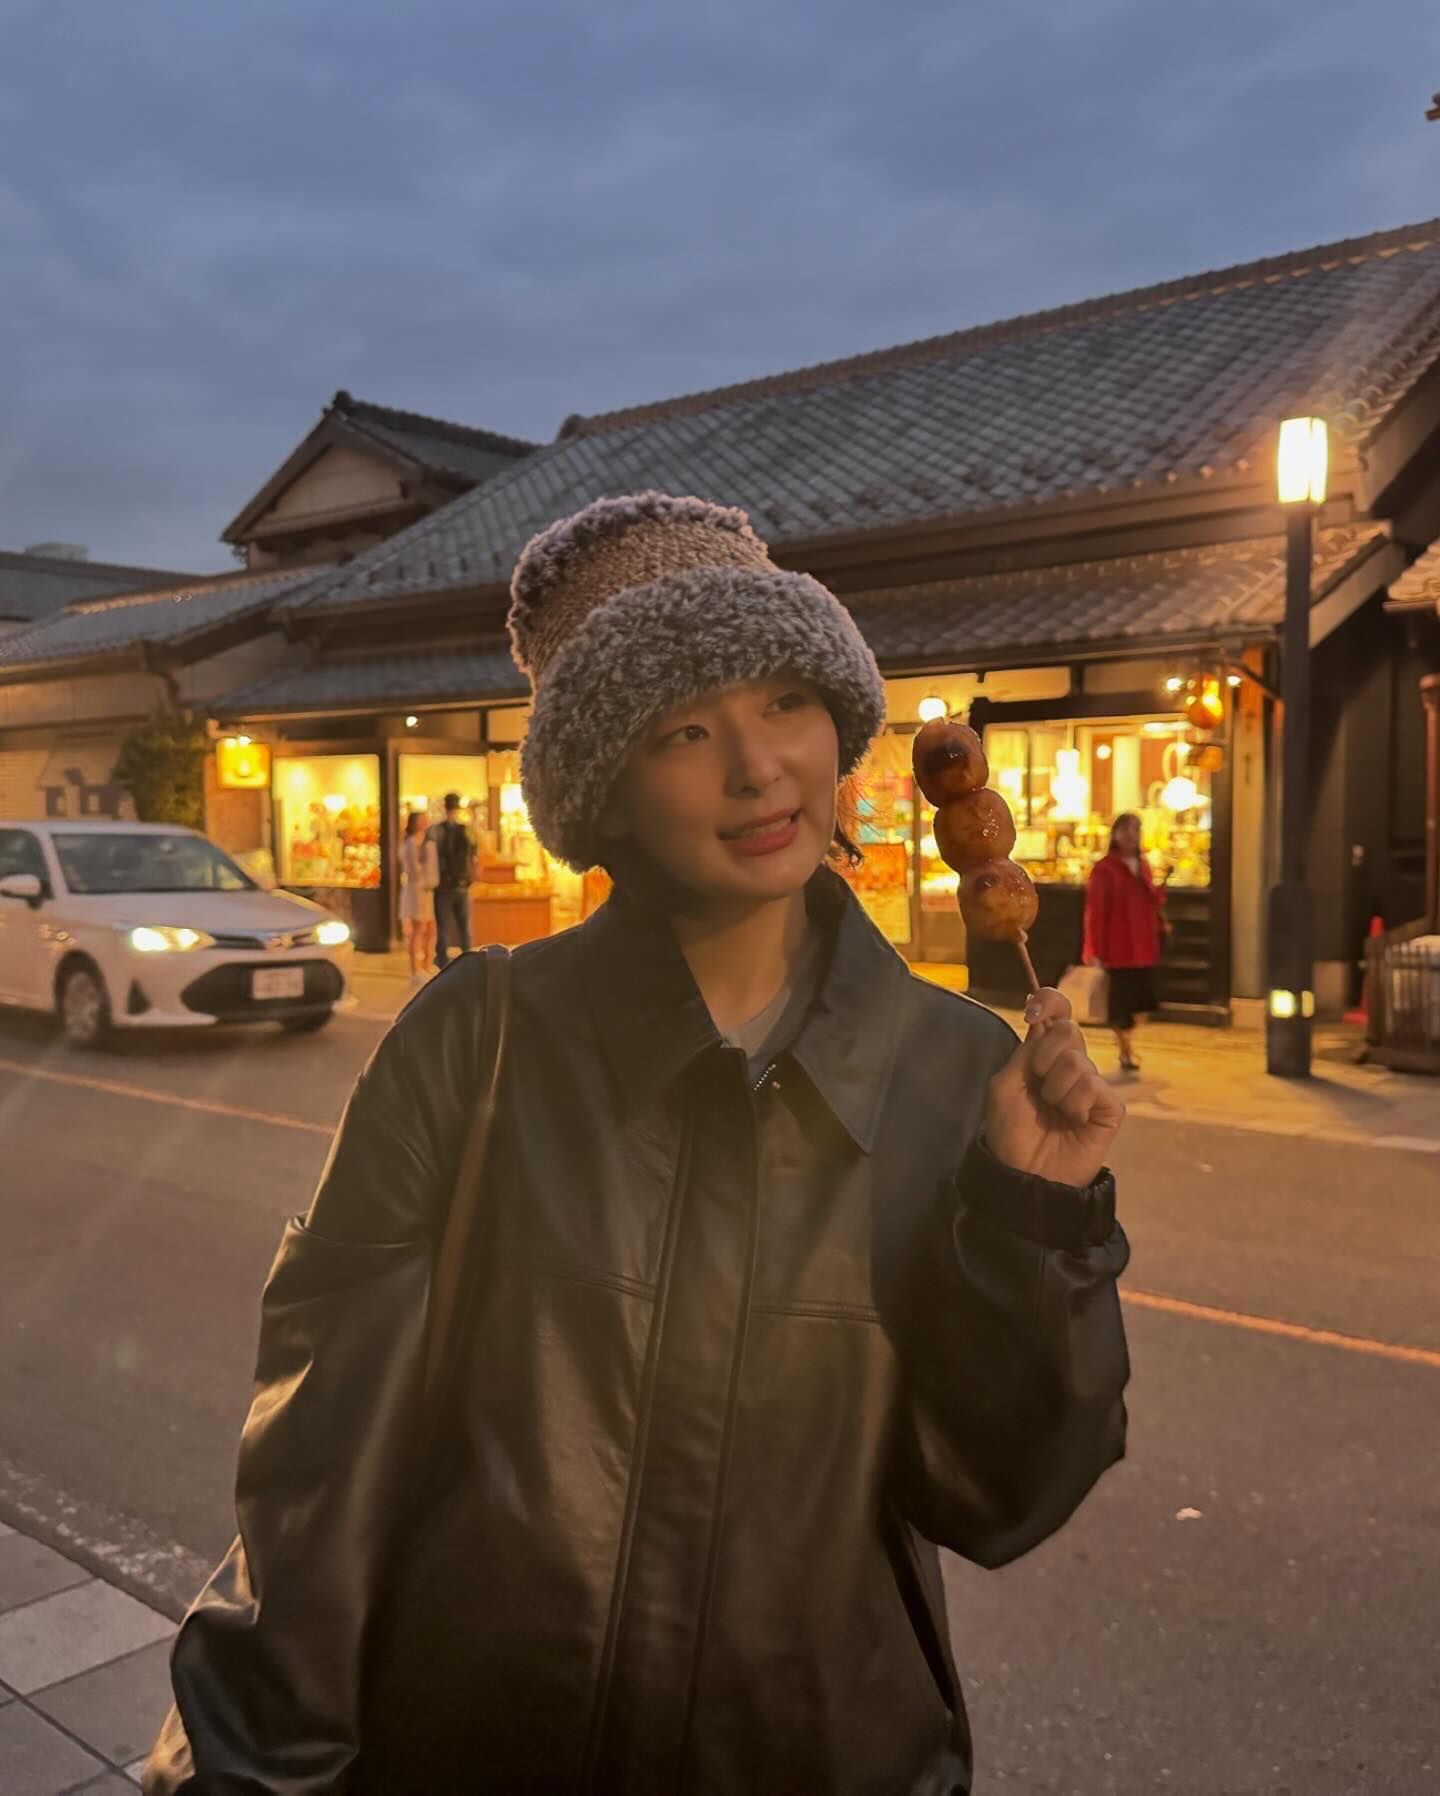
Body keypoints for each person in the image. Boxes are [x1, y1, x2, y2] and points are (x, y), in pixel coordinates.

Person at [145, 492, 1132, 1796]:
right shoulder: (476, 1038)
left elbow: (997, 1497)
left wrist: (1034, 1222)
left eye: (787, 700)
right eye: (684, 728)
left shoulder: (955, 1066)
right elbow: (317, 1486)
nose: (758, 767)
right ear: (602, 789)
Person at [1083, 811, 1170, 1074]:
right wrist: (1094, 949)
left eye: (1135, 830)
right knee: (1121, 1005)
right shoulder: (1104, 869)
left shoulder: (1143, 865)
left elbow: (1150, 901)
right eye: (1125, 830)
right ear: (1115, 835)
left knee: (1142, 1003)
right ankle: (1125, 1049)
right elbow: (1096, 911)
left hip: (1142, 945)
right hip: (1118, 947)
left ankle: (1126, 1044)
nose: (1131, 836)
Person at [424, 790, 476, 968]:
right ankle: (468, 959)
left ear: (444, 807)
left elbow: (428, 855)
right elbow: (474, 853)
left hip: (443, 884)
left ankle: (443, 960)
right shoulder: (466, 830)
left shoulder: (436, 830)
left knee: (443, 925)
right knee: (464, 925)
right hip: (462, 884)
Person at [396, 809, 436, 985]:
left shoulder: (424, 841)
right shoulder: (411, 843)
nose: (426, 822)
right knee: (418, 929)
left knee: (430, 927)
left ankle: (427, 963)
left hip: (425, 890)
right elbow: (414, 869)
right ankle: (415, 969)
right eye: (422, 819)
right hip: (416, 890)